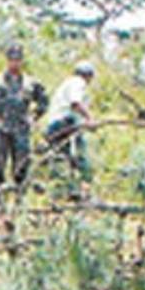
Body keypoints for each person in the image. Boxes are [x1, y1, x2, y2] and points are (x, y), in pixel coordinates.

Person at [0, 45, 48, 204]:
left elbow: (43, 102)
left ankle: (19, 200)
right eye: (11, 59)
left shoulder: (31, 83)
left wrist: (34, 117)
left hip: (21, 128)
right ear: (7, 60)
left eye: (18, 59)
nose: (14, 63)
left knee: (22, 165)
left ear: (22, 61)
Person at [45, 61, 96, 192]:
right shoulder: (78, 82)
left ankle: (67, 189)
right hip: (65, 122)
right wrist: (89, 118)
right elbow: (75, 103)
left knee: (62, 158)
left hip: (54, 124)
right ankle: (78, 186)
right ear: (88, 76)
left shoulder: (66, 84)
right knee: (78, 155)